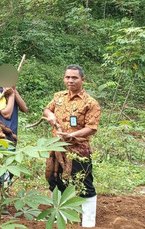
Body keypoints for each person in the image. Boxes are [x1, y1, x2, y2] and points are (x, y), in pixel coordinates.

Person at [43, 64, 100, 227]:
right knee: (55, 179)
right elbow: (47, 109)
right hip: (57, 148)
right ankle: (61, 215)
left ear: (83, 79)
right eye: (67, 77)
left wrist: (72, 135)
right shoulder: (58, 96)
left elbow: (91, 128)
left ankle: (88, 220)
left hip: (78, 149)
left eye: (74, 77)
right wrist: (51, 115)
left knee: (84, 182)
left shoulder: (90, 102)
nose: (70, 80)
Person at [0, 86, 27, 215]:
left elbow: (24, 108)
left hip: (12, 138)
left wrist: (15, 92)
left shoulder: (13, 92)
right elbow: (7, 114)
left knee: (6, 173)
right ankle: (0, 210)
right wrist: (10, 96)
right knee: (2, 172)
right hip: (2, 139)